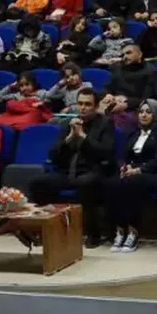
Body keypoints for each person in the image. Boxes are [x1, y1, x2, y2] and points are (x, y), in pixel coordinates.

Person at [29, 88, 114, 248]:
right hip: (68, 172)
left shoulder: (105, 124)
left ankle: (92, 234)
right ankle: (46, 229)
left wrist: (83, 136)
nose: (83, 108)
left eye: (87, 104)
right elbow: (53, 155)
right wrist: (69, 138)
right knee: (38, 183)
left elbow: (106, 152)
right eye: (80, 104)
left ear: (96, 106)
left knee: (85, 184)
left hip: (93, 170)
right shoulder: (70, 123)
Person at [104, 100, 157, 253]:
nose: (143, 115)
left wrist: (139, 170)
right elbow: (123, 155)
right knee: (111, 183)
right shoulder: (133, 132)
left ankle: (133, 231)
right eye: (141, 112)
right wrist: (123, 167)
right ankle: (119, 230)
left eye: (148, 112)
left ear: (156, 114)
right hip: (133, 172)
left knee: (132, 183)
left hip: (155, 174)